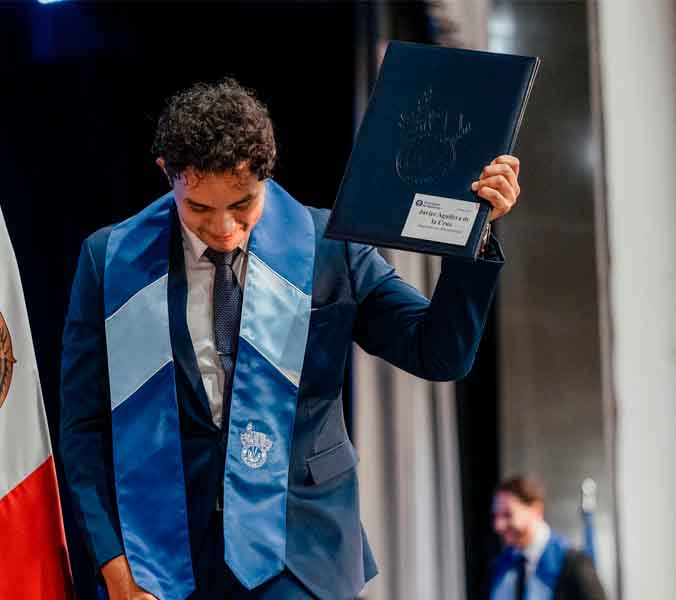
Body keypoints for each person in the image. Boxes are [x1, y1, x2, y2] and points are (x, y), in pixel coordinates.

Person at [60, 78, 520, 600]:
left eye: (242, 205)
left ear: (267, 173)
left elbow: (438, 353)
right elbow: (84, 428)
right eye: (199, 210)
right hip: (163, 559)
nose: (225, 229)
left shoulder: (330, 249)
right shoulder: (111, 261)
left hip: (301, 557)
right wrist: (115, 569)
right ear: (168, 175)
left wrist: (476, 235)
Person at [491, 476, 607, 600]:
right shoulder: (501, 567)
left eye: (508, 514)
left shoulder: (574, 565)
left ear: (536, 509)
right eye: (496, 516)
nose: (498, 525)